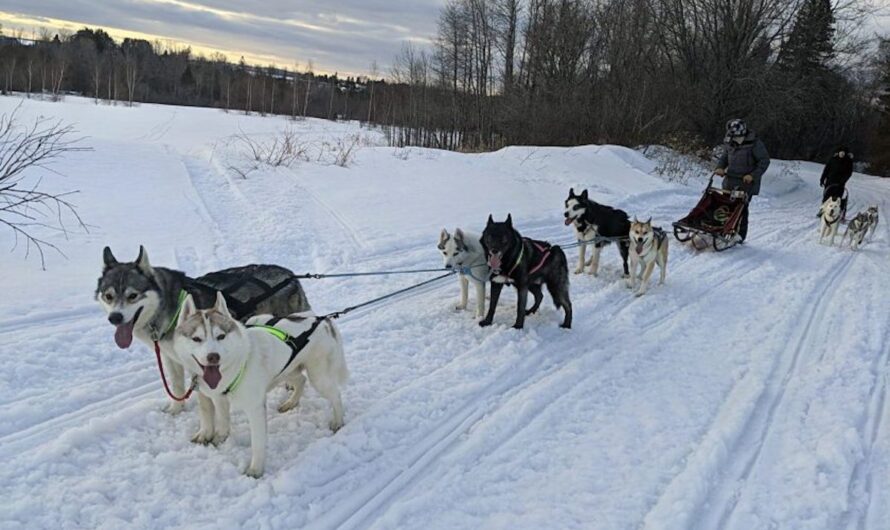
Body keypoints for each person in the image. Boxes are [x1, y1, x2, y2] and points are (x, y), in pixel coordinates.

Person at [714, 119, 770, 242]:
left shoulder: (755, 143)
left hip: (746, 183)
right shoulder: (729, 142)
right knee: (726, 205)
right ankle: (722, 229)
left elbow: (764, 161)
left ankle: (740, 234)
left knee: (741, 208)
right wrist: (720, 167)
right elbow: (725, 157)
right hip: (730, 180)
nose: (733, 137)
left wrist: (752, 175)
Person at [819, 146, 853, 217]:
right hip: (829, 182)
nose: (842, 154)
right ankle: (823, 210)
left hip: (840, 184)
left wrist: (843, 181)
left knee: (837, 199)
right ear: (838, 152)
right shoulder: (833, 159)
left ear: (845, 153)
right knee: (826, 197)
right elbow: (826, 169)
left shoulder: (848, 162)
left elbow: (849, 173)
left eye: (843, 153)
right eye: (841, 152)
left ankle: (836, 213)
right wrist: (822, 179)